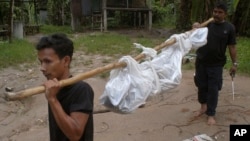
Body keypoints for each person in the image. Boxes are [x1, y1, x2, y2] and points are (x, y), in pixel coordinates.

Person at [36, 33, 94, 141]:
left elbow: (75, 135)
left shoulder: (82, 90)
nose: (42, 68)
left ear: (66, 61)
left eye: (48, 61)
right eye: (41, 62)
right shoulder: (53, 89)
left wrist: (53, 100)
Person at [193, 1, 237, 125]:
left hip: (216, 65)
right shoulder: (207, 25)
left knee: (213, 89)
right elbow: (194, 32)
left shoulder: (229, 28)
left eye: (220, 12)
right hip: (201, 61)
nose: (216, 14)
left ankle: (211, 114)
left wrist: (235, 64)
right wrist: (195, 25)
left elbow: (232, 47)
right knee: (201, 86)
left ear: (225, 14)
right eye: (215, 12)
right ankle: (203, 107)